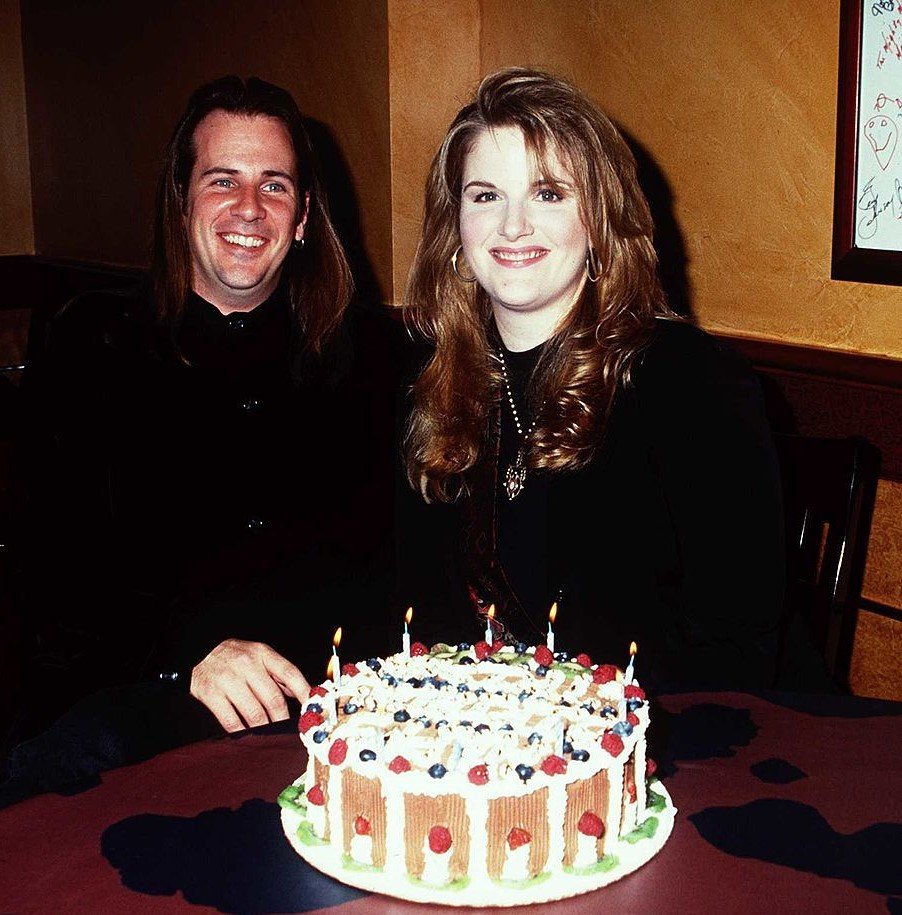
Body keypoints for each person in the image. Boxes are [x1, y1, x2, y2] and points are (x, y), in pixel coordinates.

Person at [2, 75, 403, 799]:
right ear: (181, 198)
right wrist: (184, 652)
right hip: (132, 717)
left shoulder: (376, 358)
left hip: (335, 734)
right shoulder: (90, 342)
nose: (249, 208)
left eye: (275, 186)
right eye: (223, 180)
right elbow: (47, 570)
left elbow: (407, 568)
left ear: (305, 215)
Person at [398, 67, 787, 692]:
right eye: (485, 195)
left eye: (549, 193)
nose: (513, 226)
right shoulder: (428, 382)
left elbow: (736, 640)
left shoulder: (689, 381)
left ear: (600, 221)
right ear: (454, 228)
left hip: (666, 752)